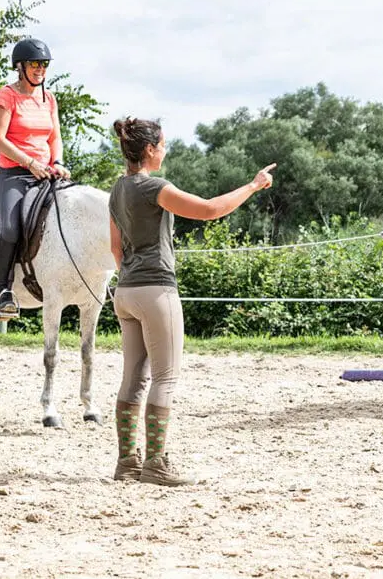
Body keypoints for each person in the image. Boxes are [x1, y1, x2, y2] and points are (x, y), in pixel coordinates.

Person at [109, 117, 275, 486]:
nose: (165, 151)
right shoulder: (154, 187)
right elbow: (210, 210)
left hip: (126, 291)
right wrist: (254, 185)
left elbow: (115, 247)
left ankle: (126, 462)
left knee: (132, 378)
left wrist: (132, 278)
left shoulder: (117, 189)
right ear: (150, 150)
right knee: (165, 377)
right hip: (157, 290)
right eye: (163, 145)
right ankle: (155, 463)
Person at [0, 38, 71, 320]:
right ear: (20, 67)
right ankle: (4, 292)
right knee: (10, 229)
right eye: (35, 64)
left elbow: (54, 136)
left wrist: (57, 161)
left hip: (46, 172)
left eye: (44, 64)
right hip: (13, 174)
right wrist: (29, 162)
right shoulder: (6, 96)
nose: (40, 69)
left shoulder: (48, 99)